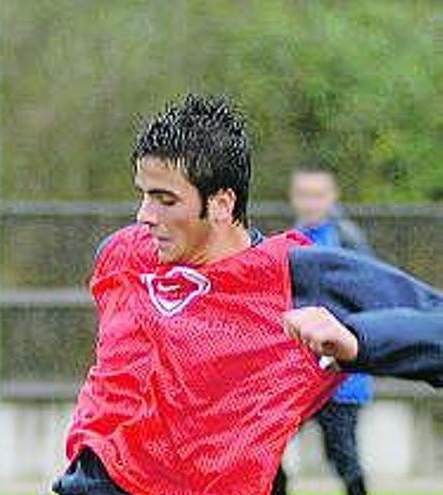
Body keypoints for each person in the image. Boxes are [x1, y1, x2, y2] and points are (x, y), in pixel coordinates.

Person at [51, 95, 442, 495]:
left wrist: (358, 340)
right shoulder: (122, 253)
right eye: (144, 194)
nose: (144, 215)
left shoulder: (297, 277)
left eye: (165, 200)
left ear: (221, 203)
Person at [275, 168, 373, 495]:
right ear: (294, 197)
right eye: (304, 194)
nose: (311, 202)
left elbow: (368, 298)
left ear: (332, 197)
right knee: (271, 450)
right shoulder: (289, 244)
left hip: (342, 377)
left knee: (343, 456)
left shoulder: (348, 240)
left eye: (318, 194)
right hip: (298, 374)